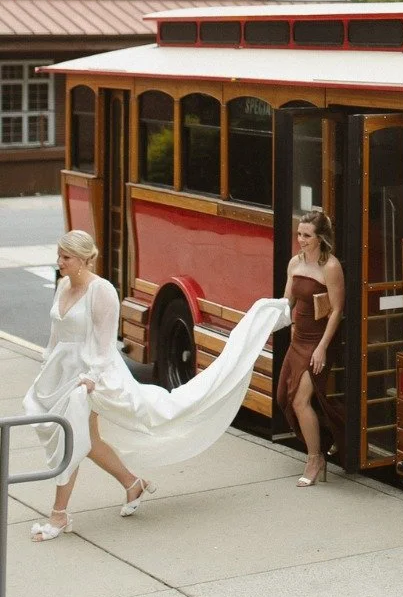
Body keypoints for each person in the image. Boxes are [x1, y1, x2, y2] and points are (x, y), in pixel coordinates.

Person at [23, 229, 290, 541]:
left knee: (73, 438)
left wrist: (91, 379)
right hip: (61, 373)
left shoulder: (102, 291)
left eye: (65, 257)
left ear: (83, 260)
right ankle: (132, 483)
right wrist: (46, 366)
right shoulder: (63, 286)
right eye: (59, 255)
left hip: (91, 377)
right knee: (88, 440)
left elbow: (104, 343)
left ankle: (59, 515)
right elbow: (56, 335)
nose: (59, 262)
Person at [276, 209, 346, 486]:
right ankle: (333, 435)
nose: (300, 239)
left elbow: (337, 310)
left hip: (318, 342)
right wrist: (264, 321)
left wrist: (322, 349)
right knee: (283, 398)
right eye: (299, 234)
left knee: (300, 400)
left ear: (320, 238)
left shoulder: (331, 267)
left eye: (306, 235)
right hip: (298, 339)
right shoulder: (295, 262)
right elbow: (287, 301)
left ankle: (315, 458)